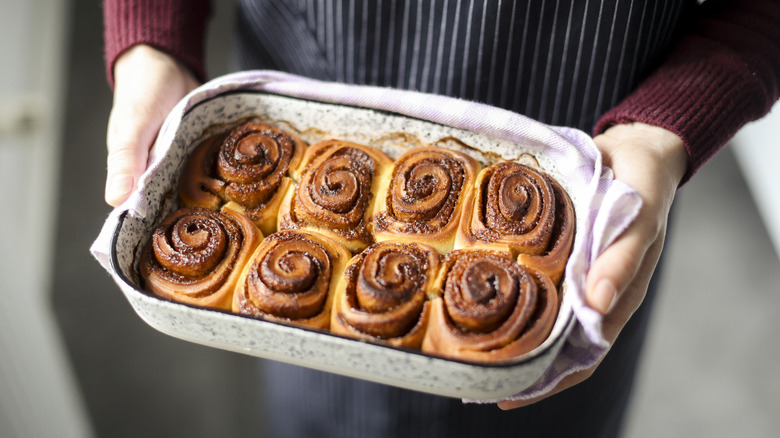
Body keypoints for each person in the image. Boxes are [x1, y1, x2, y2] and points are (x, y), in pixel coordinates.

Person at [103, 1, 780, 436]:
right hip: (297, 92)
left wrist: (662, 132)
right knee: (329, 403)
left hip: (594, 160)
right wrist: (151, 43)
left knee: (546, 412)